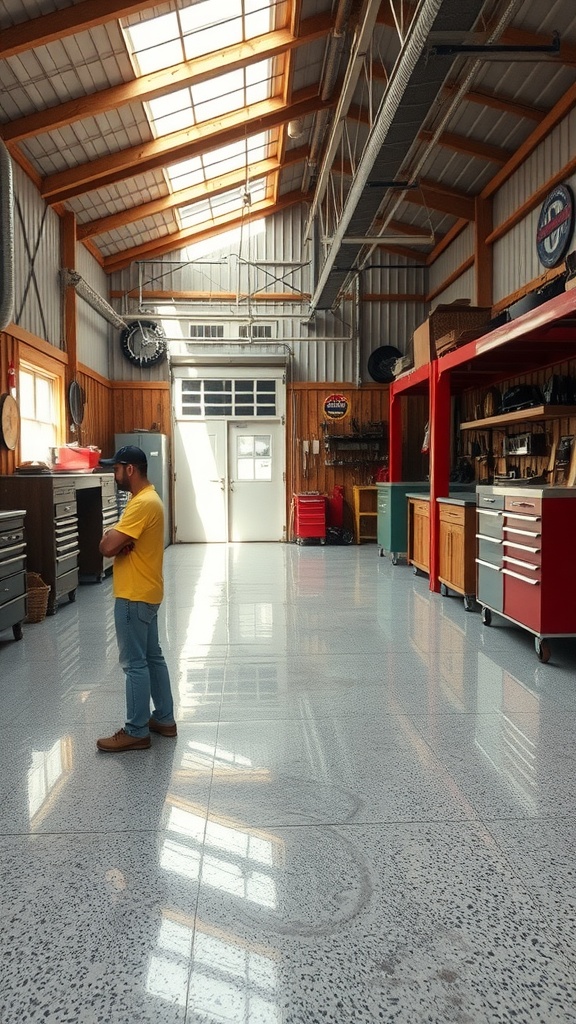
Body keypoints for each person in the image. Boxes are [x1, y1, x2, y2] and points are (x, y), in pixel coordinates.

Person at [96, 444, 176, 752]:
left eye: (115, 469)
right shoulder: (146, 499)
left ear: (130, 469)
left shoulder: (142, 504)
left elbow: (106, 547)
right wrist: (115, 538)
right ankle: (164, 719)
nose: (113, 474)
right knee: (152, 658)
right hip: (148, 592)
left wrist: (112, 538)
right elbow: (115, 541)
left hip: (133, 597)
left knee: (134, 663)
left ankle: (136, 729)